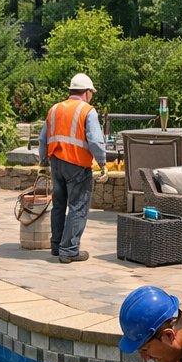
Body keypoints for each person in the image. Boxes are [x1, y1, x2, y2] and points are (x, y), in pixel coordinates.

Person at [39, 72, 107, 263]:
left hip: (56, 163)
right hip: (77, 164)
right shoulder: (87, 110)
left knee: (59, 205)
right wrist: (102, 162)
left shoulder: (54, 109)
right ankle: (68, 250)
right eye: (91, 93)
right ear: (86, 92)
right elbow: (95, 140)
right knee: (78, 206)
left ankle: (56, 245)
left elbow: (43, 138)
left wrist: (43, 161)